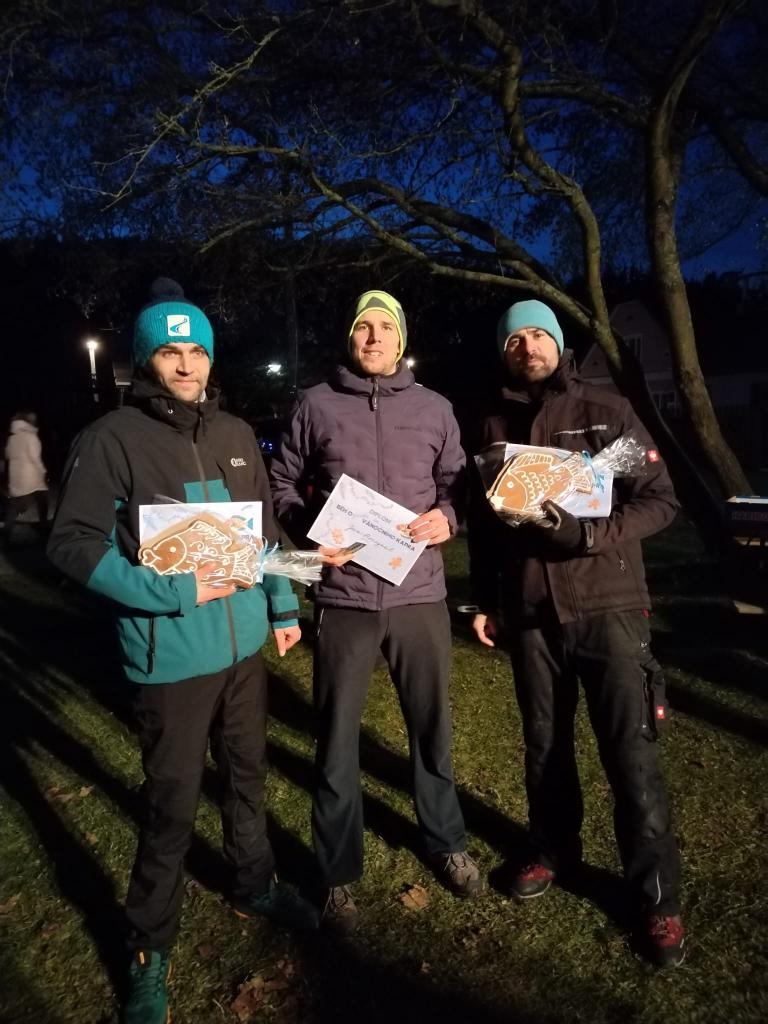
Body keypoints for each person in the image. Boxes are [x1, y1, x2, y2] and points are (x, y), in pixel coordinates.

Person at [47, 278, 318, 1024]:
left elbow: (265, 534)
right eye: (171, 352)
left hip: (243, 649)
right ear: (146, 360)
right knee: (171, 805)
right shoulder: (110, 440)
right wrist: (168, 592)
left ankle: (254, 882)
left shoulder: (235, 433)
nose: (187, 363)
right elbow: (72, 544)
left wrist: (282, 604)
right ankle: (149, 946)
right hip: (169, 658)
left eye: (197, 350)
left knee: (247, 775)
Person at [467, 299, 685, 968]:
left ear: (559, 344)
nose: (527, 346)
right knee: (544, 747)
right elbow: (486, 529)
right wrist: (487, 601)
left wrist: (592, 535)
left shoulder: (607, 411)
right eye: (515, 339)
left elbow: (660, 499)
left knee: (631, 756)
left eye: (539, 334)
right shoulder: (495, 426)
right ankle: (552, 850)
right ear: (503, 352)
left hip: (609, 607)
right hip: (533, 615)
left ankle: (656, 898)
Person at [270, 289, 484, 931]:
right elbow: (280, 483)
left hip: (419, 595)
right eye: (363, 326)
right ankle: (337, 872)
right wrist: (310, 532)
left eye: (384, 327)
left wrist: (447, 517)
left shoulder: (435, 408)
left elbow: (458, 485)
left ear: (400, 339)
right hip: (345, 597)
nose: (373, 337)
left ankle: (445, 840)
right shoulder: (314, 403)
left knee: (431, 728)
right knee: (337, 738)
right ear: (350, 337)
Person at [3, 411, 48, 544]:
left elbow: (8, 454)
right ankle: (44, 528)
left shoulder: (12, 438)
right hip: (31, 477)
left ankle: (5, 535)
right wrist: (43, 470)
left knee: (15, 506)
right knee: (42, 501)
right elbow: (35, 457)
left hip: (16, 477)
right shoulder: (31, 437)